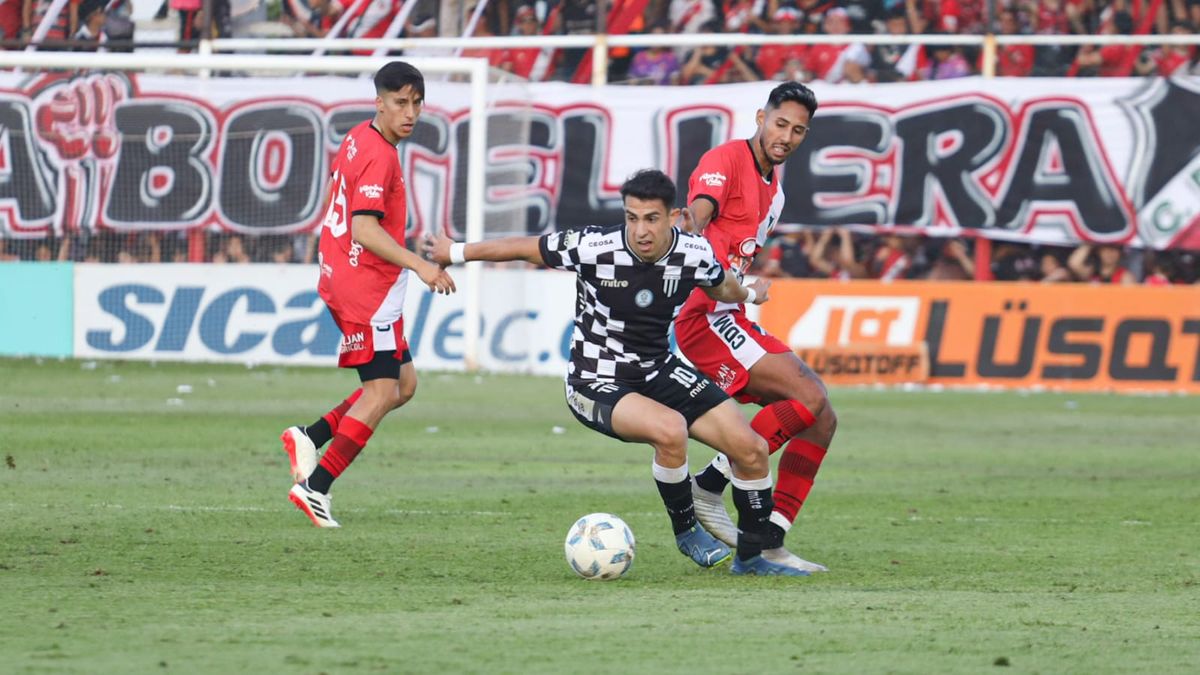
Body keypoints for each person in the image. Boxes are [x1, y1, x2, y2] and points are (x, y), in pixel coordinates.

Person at [424, 169, 808, 577]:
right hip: (596, 379)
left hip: (657, 369)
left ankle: (751, 559)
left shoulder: (693, 252)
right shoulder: (595, 246)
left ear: (674, 216)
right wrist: (456, 252)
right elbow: (524, 247)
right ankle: (686, 531)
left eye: (651, 219)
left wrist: (749, 293)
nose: (640, 230)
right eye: (631, 217)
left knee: (750, 448)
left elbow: (721, 285)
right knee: (670, 429)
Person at [281, 61, 457, 528]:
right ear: (379, 102)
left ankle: (309, 436)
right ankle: (315, 487)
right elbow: (363, 227)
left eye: (417, 103)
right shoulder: (383, 155)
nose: (411, 113)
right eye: (400, 103)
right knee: (380, 393)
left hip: (349, 274)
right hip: (367, 287)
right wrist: (420, 265)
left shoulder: (360, 135)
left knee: (404, 385)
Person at [673, 81, 833, 573]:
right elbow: (700, 211)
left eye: (797, 130)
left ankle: (767, 541)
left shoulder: (775, 194)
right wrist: (689, 227)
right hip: (698, 317)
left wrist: (742, 287)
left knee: (822, 418)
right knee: (808, 396)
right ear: (761, 117)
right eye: (780, 123)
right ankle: (710, 483)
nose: (786, 136)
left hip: (729, 315)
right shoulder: (726, 160)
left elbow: (737, 252)